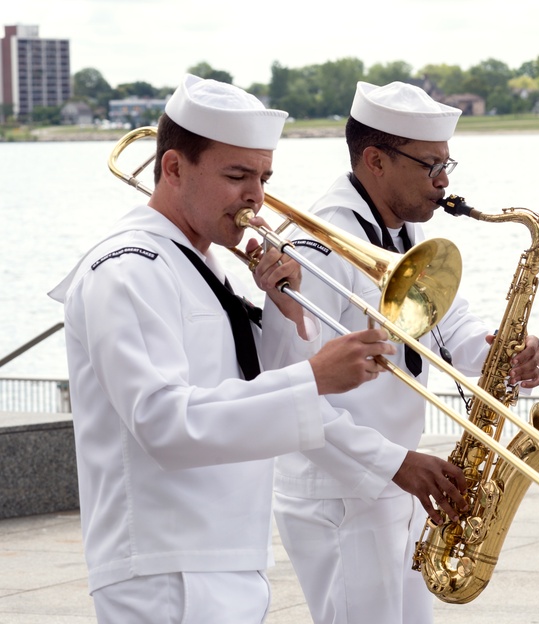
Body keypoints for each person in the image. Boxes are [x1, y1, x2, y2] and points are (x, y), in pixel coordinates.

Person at [48, 74, 398, 623]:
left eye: (262, 176)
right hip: (164, 569)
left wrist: (285, 315)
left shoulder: (199, 264)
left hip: (229, 556)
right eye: (237, 175)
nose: (256, 196)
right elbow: (164, 421)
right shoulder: (126, 268)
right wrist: (314, 378)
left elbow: (256, 402)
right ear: (173, 169)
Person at [268, 81, 539, 624]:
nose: (444, 183)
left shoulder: (404, 230)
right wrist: (394, 464)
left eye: (447, 164)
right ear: (375, 160)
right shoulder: (316, 246)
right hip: (341, 492)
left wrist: (503, 354)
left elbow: (450, 320)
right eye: (429, 165)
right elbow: (290, 393)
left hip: (394, 480)